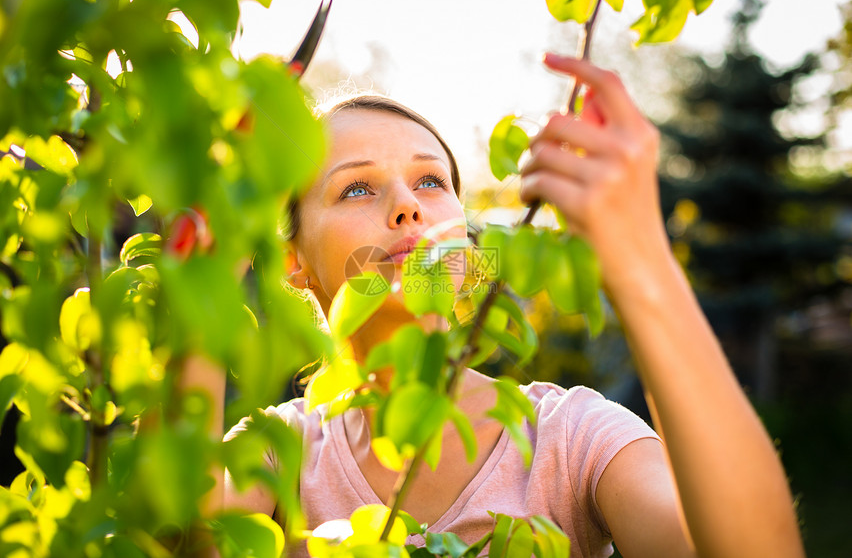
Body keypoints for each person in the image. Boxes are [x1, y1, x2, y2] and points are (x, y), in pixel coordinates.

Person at [190, 53, 805, 558]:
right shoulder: (277, 453)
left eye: (431, 181)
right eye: (356, 187)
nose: (408, 207)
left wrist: (641, 261)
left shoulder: (572, 440)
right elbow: (170, 542)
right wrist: (203, 278)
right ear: (293, 259)